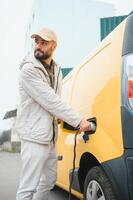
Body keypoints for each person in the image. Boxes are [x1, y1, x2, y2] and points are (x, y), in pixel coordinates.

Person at [15, 27, 91, 200]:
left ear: (54, 46)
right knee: (28, 188)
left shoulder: (57, 69)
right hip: (34, 137)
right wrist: (79, 121)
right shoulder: (28, 70)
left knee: (49, 180)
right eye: (37, 42)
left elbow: (58, 101)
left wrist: (67, 120)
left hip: (50, 137)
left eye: (44, 43)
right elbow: (51, 101)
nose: (38, 46)